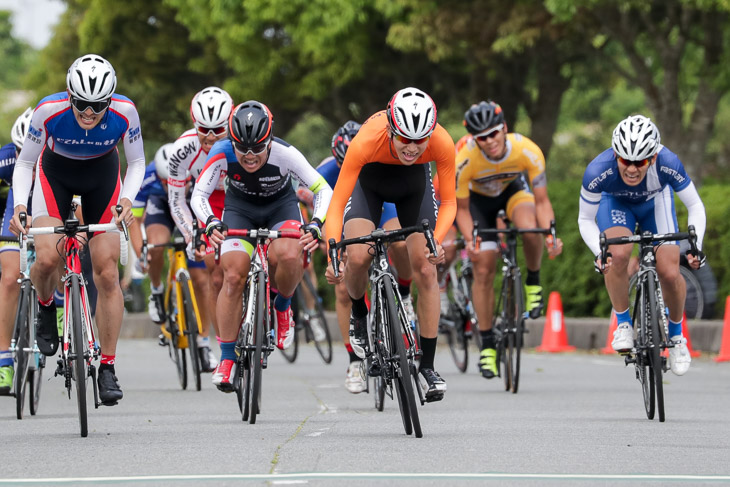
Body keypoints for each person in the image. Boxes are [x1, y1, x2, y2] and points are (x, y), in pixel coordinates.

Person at [10, 54, 145, 405]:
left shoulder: (125, 113)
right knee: (46, 257)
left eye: (97, 106)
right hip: (55, 175)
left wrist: (127, 200)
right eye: (81, 104)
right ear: (69, 96)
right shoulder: (48, 111)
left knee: (106, 271)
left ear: (110, 100)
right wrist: (22, 207)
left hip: (102, 177)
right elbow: (26, 162)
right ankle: (44, 306)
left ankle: (108, 367)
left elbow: (137, 162)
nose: (88, 113)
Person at [324, 87, 455, 402]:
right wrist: (332, 251)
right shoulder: (367, 139)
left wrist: (436, 241)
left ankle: (428, 367)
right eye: (404, 139)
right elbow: (337, 204)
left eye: (420, 140)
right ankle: (359, 313)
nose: (412, 148)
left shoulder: (442, 141)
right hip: (370, 184)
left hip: (414, 188)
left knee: (426, 266)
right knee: (356, 257)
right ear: (390, 129)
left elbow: (449, 202)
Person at [191, 100, 333, 391]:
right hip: (239, 209)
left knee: (291, 255)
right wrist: (210, 223)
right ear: (232, 142)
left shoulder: (285, 153)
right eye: (243, 148)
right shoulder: (221, 151)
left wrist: (316, 223)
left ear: (269, 140)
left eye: (258, 147)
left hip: (280, 209)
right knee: (231, 276)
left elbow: (323, 189)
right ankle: (227, 357)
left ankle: (282, 307)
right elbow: (199, 195)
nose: (250, 155)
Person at [578, 115, 706, 376]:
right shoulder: (597, 170)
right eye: (625, 160)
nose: (632, 169)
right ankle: (624, 324)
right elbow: (585, 219)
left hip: (656, 202)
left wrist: (696, 246)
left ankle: (677, 336)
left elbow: (694, 205)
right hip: (615, 204)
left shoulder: (668, 162)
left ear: (654, 158)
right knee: (618, 254)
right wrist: (599, 254)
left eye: (641, 162)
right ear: (615, 155)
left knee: (670, 271)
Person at [454, 100, 563, 380]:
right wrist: (470, 240)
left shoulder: (528, 150)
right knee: (483, 266)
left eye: (494, 133)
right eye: (482, 138)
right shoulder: (464, 158)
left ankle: (533, 282)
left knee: (529, 227)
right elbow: (462, 210)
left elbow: (542, 201)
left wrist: (550, 232)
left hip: (514, 191)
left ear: (504, 128)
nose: (489, 141)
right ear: (474, 139)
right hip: (478, 205)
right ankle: (488, 345)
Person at [305, 121, 415, 394]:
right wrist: (329, 244)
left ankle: (403, 292)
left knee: (400, 244)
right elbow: (321, 210)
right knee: (343, 286)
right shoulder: (326, 171)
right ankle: (355, 360)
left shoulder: (383, 157)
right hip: (345, 214)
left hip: (382, 202)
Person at [129, 143, 219, 371]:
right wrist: (142, 254)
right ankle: (158, 291)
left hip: (189, 205)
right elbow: (134, 222)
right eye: (165, 182)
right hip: (160, 208)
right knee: (157, 246)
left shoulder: (198, 172)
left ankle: (203, 342)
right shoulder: (147, 178)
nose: (170, 186)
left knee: (201, 279)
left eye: (174, 181)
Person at [167, 86, 234, 357]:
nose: (209, 137)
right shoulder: (182, 149)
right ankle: (221, 345)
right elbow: (176, 200)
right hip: (205, 202)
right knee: (215, 275)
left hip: (238, 197)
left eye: (218, 130)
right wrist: (190, 233)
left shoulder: (242, 143)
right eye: (202, 129)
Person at [0, 108, 33, 394]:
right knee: (10, 278)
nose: (27, 158)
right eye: (21, 150)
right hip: (14, 210)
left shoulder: (60, 156)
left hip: (49, 204)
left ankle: (59, 305)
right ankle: (4, 361)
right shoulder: (6, 159)